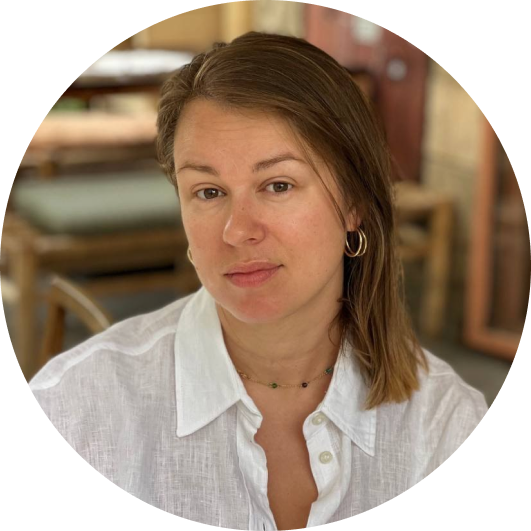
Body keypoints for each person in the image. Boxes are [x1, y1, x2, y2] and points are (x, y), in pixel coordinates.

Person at [28, 32, 489, 529]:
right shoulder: (76, 409)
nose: (237, 230)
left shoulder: (444, 424)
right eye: (208, 192)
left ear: (354, 203)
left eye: (277, 185)